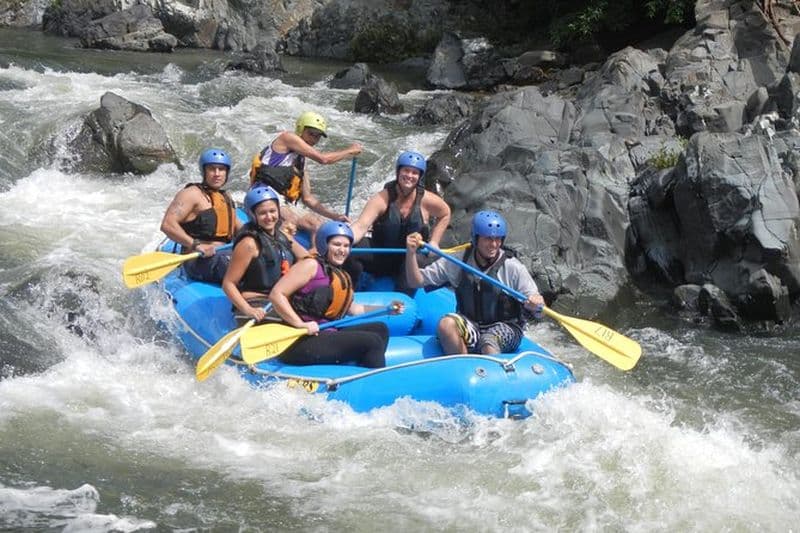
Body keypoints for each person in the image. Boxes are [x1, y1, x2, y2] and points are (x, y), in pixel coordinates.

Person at [404, 210, 544, 355]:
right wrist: (411, 253)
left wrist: (536, 304)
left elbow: (539, 309)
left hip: (507, 327)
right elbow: (416, 281)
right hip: (472, 325)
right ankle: (463, 368)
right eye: (488, 239)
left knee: (488, 341)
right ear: (476, 238)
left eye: (498, 239)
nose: (494, 245)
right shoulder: (458, 261)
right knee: (446, 325)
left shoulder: (513, 267)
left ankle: (492, 374)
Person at [269, 221, 403, 368]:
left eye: (346, 246)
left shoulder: (341, 275)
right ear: (324, 245)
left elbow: (355, 309)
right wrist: (300, 324)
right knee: (372, 342)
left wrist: (386, 309)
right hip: (299, 339)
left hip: (325, 334)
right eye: (336, 244)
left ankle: (357, 373)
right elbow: (277, 294)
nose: (342, 250)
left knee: (380, 329)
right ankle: (375, 384)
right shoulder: (310, 266)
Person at [348, 150, 451, 289]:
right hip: (382, 254)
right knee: (353, 250)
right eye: (406, 171)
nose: (409, 176)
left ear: (420, 176)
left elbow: (445, 213)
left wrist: (434, 241)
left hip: (411, 258)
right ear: (398, 172)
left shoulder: (426, 199)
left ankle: (402, 300)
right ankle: (348, 292)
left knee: (419, 261)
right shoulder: (382, 198)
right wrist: (344, 240)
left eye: (414, 173)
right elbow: (361, 226)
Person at [249, 111, 362, 235]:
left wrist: (334, 216)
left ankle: (313, 254)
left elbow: (308, 199)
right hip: (263, 195)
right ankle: (278, 251)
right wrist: (350, 151)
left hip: (283, 203)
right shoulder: (287, 138)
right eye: (311, 134)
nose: (313, 139)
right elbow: (323, 159)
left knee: (317, 224)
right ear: (300, 129)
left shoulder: (301, 163)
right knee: (291, 220)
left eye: (317, 136)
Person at [222, 185, 310, 325]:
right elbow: (228, 284)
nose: (269, 217)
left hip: (281, 299)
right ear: (253, 215)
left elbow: (307, 260)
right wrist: (248, 309)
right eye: (263, 213)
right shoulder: (249, 244)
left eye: (272, 211)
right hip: (257, 302)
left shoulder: (282, 236)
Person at [160, 148, 243, 284]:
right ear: (204, 171)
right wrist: (196, 245)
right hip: (197, 258)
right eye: (212, 169)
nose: (217, 174)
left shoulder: (225, 197)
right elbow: (168, 225)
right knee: (229, 264)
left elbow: (238, 226)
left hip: (223, 253)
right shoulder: (191, 194)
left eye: (221, 169)